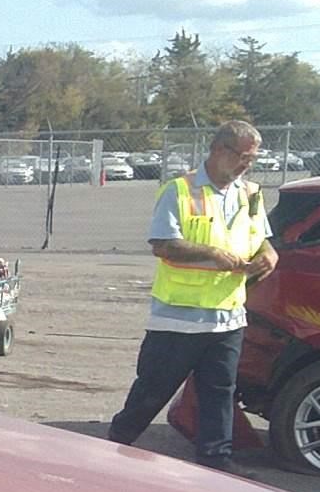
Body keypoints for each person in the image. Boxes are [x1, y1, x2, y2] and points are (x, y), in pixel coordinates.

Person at [106, 120, 277, 470]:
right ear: (218, 150)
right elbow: (163, 244)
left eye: (252, 158)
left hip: (228, 316)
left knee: (220, 393)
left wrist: (270, 254)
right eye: (242, 156)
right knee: (152, 391)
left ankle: (217, 460)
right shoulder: (179, 190)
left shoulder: (251, 194)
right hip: (178, 317)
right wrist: (211, 254)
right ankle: (116, 446)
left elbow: (261, 238)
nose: (247, 164)